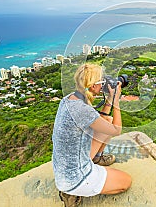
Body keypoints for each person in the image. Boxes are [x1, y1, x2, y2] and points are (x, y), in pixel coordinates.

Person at [52, 63, 132, 207]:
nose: (103, 85)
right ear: (93, 85)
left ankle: (96, 159)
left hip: (63, 169)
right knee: (126, 181)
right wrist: (116, 101)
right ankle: (72, 193)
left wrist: (110, 100)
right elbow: (116, 130)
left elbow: (100, 121)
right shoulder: (82, 109)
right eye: (101, 82)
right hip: (74, 178)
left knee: (106, 120)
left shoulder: (69, 99)